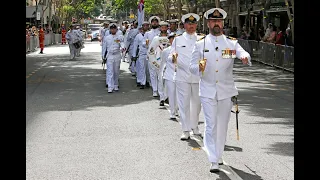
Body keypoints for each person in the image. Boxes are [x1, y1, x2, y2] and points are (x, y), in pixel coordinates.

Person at [190, 8, 251, 172]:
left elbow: (242, 52)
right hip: (208, 90)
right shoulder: (200, 44)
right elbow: (191, 68)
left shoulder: (231, 42)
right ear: (208, 23)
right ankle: (213, 159)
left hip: (226, 91)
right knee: (211, 124)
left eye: (219, 21)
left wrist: (245, 57)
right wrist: (199, 68)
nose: (216, 24)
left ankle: (218, 153)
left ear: (222, 23)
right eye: (213, 21)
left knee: (222, 125)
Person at [168, 13, 202, 140]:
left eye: (193, 24)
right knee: (183, 104)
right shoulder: (178, 39)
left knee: (197, 104)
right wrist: (173, 57)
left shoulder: (202, 39)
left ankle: (195, 126)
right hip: (182, 76)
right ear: (184, 25)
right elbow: (171, 55)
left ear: (196, 25)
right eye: (188, 23)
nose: (191, 26)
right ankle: (185, 129)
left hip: (198, 76)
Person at [148, 21, 170, 105]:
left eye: (165, 27)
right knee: (160, 79)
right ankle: (162, 97)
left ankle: (167, 96)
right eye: (162, 27)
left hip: (169, 60)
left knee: (167, 80)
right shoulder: (156, 38)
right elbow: (151, 50)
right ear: (160, 28)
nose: (164, 29)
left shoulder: (171, 37)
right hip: (159, 60)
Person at [102, 23, 126, 93]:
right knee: (110, 71)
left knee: (116, 71)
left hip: (117, 55)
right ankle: (110, 86)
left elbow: (121, 43)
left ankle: (116, 84)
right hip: (109, 56)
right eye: (111, 28)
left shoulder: (119, 37)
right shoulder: (107, 38)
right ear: (110, 29)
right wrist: (103, 56)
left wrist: (123, 48)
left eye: (114, 28)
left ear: (116, 29)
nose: (113, 30)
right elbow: (104, 48)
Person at [162, 32, 178, 119]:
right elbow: (163, 63)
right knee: (171, 94)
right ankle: (172, 112)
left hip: (179, 75)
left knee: (178, 95)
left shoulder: (181, 49)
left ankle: (176, 109)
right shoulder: (166, 51)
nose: (173, 40)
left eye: (174, 38)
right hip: (169, 74)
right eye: (171, 38)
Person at [144, 16, 161, 97]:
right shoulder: (147, 34)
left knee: (160, 73)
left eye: (156, 21)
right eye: (153, 21)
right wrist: (146, 44)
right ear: (151, 23)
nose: (154, 23)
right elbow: (143, 43)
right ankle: (155, 90)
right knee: (152, 73)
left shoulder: (161, 32)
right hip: (151, 55)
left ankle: (161, 90)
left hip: (160, 55)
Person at [132, 21, 150, 89]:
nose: (145, 27)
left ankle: (147, 81)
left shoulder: (150, 34)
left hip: (149, 54)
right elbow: (135, 46)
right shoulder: (138, 36)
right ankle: (143, 82)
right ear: (142, 27)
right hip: (141, 54)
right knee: (142, 68)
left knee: (148, 69)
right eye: (144, 25)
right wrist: (134, 55)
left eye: (147, 25)